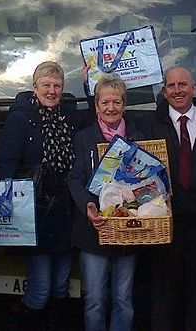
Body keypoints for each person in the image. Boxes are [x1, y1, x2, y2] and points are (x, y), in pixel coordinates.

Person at [137, 66, 196, 331]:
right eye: (171, 86)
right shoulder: (149, 126)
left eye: (183, 85)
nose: (177, 90)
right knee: (164, 297)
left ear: (194, 88)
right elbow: (106, 118)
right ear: (164, 92)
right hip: (166, 225)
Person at [0, 61, 82, 328]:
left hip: (66, 211)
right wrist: (4, 204)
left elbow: (103, 110)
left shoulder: (71, 116)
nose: (52, 91)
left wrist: (92, 82)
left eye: (57, 86)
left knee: (60, 287)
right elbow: (6, 162)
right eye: (46, 85)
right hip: (35, 213)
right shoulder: (20, 118)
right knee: (41, 289)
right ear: (35, 87)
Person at [67, 75, 144, 331]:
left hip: (128, 231)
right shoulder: (84, 138)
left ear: (124, 105)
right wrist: (87, 207)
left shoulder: (138, 138)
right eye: (105, 102)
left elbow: (149, 182)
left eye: (117, 102)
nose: (111, 108)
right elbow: (75, 178)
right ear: (96, 106)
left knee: (124, 299)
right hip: (94, 231)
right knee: (95, 300)